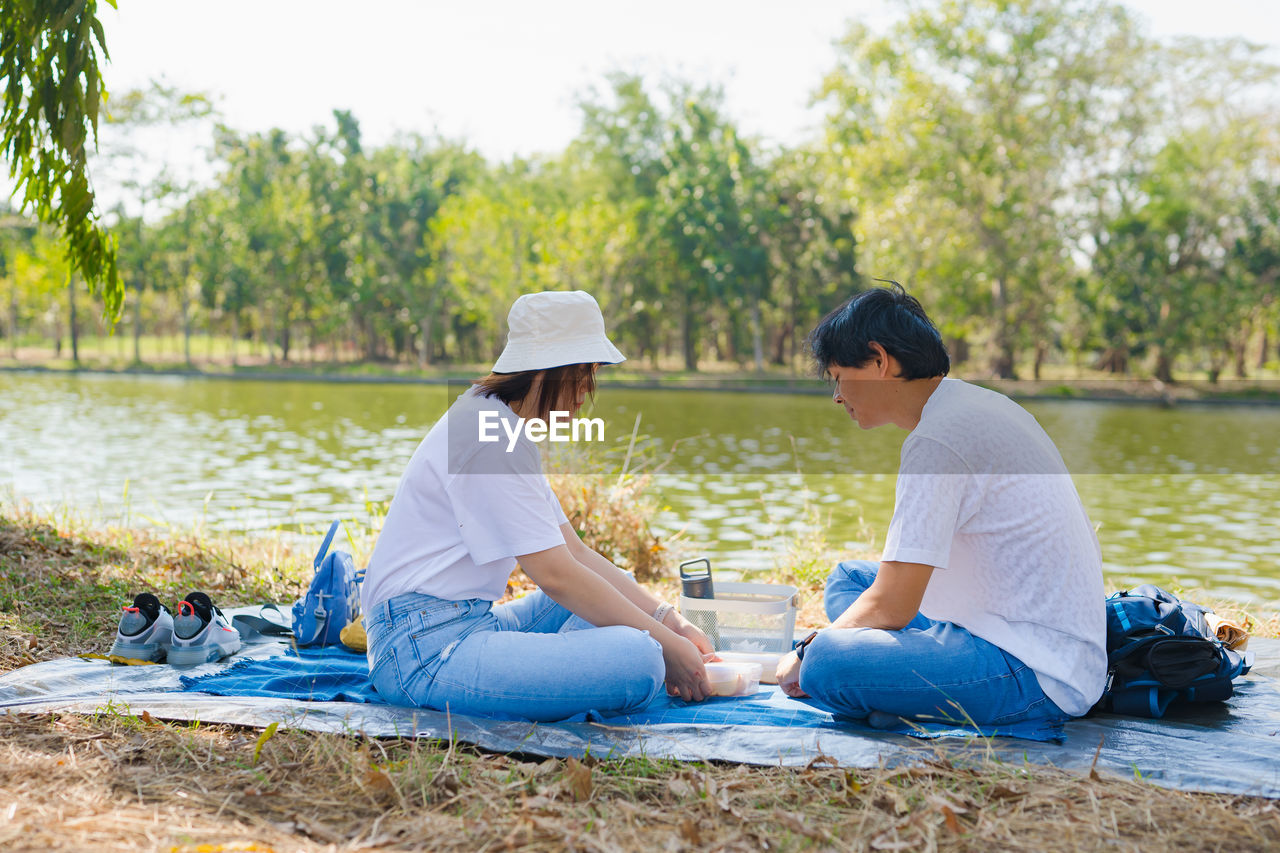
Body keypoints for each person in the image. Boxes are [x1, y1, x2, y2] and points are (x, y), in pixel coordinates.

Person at [362, 290, 712, 722]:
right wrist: (666, 646)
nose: (589, 390)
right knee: (640, 659)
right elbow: (555, 576)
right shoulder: (489, 435)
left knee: (623, 603)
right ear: (550, 370)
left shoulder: (500, 424)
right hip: (424, 649)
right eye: (583, 373)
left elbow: (575, 554)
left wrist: (669, 621)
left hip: (468, 623)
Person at [776, 284, 1106, 730]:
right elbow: (893, 591)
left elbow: (892, 606)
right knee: (848, 580)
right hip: (1009, 628)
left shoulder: (938, 440)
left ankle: (901, 691)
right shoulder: (972, 405)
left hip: (1036, 673)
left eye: (839, 376)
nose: (837, 396)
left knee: (827, 664)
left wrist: (805, 651)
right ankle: (908, 688)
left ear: (879, 361)